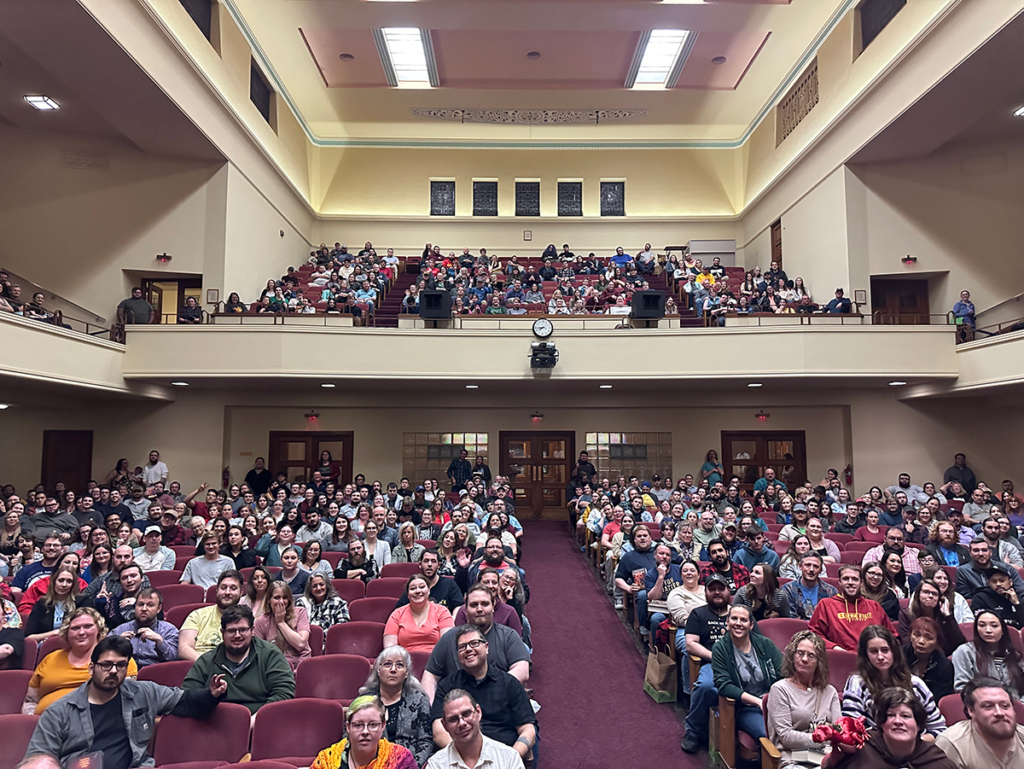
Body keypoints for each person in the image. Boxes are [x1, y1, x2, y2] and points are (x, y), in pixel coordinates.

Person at [24, 635, 226, 769]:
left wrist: (211, 694)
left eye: (121, 665)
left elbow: (183, 700)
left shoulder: (142, 692)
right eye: (107, 665)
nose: (113, 671)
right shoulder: (60, 710)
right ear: (91, 668)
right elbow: (39, 757)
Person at [429, 625, 537, 762]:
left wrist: (509, 759)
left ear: (486, 647)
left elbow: (528, 730)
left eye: (474, 643)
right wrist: (465, 759)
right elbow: (438, 731)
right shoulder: (447, 686)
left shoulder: (510, 683)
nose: (468, 649)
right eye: (462, 647)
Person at [421, 585, 530, 701]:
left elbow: (522, 670)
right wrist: (431, 709)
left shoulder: (509, 636)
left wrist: (493, 690)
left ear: (493, 606)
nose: (479, 609)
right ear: (465, 609)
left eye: (485, 604)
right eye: (474, 605)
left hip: (499, 703)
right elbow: (430, 675)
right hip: (457, 709)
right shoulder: (448, 638)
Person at [23, 607, 139, 714]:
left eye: (88, 626)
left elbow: (124, 700)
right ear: (67, 633)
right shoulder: (50, 659)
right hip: (45, 725)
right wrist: (30, 719)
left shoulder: (119, 659)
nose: (81, 632)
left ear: (99, 629)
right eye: (75, 628)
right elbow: (31, 701)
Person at [182, 604, 294, 714]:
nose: (237, 635)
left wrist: (253, 722)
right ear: (222, 633)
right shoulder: (207, 660)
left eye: (243, 630)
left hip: (260, 724)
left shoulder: (270, 654)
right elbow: (186, 696)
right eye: (231, 631)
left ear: (252, 630)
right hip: (215, 726)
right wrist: (209, 694)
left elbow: (283, 694)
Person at [842, 625, 945, 735]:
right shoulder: (857, 683)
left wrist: (918, 743)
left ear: (894, 652)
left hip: (915, 745)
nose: (880, 657)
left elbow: (938, 728)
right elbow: (851, 729)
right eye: (873, 651)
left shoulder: (915, 684)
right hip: (875, 746)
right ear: (866, 655)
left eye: (885, 650)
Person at [827, 687, 957, 769]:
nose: (898, 721)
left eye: (906, 716)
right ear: (881, 723)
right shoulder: (861, 747)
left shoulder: (934, 758)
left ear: (918, 726)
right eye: (890, 715)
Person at [767, 630, 841, 767]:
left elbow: (838, 730)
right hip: (792, 759)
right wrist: (822, 738)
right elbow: (786, 737)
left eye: (811, 655)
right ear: (792, 656)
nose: (804, 659)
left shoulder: (830, 692)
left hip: (825, 757)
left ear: (819, 661)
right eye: (800, 653)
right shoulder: (780, 689)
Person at [712, 604, 783, 741]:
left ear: (751, 625)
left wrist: (774, 701)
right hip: (746, 708)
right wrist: (758, 702)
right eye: (734, 619)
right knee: (769, 735)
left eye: (743, 620)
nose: (738, 623)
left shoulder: (765, 644)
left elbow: (783, 673)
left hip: (774, 702)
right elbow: (723, 685)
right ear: (727, 623)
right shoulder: (720, 649)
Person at [681, 574, 733, 754]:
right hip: (713, 664)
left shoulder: (740, 613)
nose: (717, 592)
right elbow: (690, 643)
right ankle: (693, 732)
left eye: (721, 588)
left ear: (729, 591)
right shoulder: (699, 613)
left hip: (740, 664)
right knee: (705, 686)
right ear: (706, 592)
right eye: (712, 589)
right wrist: (716, 657)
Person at [361, 647, 435, 767]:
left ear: (406, 673)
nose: (393, 669)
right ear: (378, 670)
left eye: (399, 665)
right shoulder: (365, 700)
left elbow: (426, 741)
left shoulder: (419, 700)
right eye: (387, 664)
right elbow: (351, 737)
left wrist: (411, 765)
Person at [935, 677, 1024, 769]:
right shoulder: (952, 744)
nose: (999, 713)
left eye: (1005, 706)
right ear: (971, 711)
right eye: (988, 706)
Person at [310, 695, 419, 769]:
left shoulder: (400, 759)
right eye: (358, 725)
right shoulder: (326, 762)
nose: (365, 731)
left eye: (373, 725)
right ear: (348, 727)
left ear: (383, 726)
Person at [810, 564, 896, 651]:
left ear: (861, 583)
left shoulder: (874, 606)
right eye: (846, 579)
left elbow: (892, 636)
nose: (850, 582)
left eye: (855, 579)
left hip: (871, 659)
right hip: (840, 657)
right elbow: (815, 635)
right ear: (839, 582)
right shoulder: (826, 604)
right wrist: (834, 648)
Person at [952, 611, 1024, 700]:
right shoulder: (965, 652)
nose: (988, 630)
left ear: (1003, 631)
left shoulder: (1013, 654)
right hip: (983, 705)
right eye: (982, 625)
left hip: (1016, 705)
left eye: (994, 626)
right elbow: (962, 688)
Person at [178, 570, 243, 661]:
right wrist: (208, 665)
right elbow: (184, 649)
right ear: (216, 591)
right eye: (223, 587)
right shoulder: (197, 615)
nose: (227, 592)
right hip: (199, 665)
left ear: (241, 593)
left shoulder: (247, 619)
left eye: (233, 588)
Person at [384, 574, 455, 654]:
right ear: (408, 595)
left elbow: (447, 644)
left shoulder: (442, 611)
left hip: (435, 661)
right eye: (413, 588)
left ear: (428, 591)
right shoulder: (397, 614)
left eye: (422, 587)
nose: (418, 591)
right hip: (405, 662)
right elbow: (389, 648)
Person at [109, 587, 178, 668]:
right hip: (126, 673)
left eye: (150, 605)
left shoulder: (169, 630)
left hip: (156, 674)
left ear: (159, 609)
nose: (144, 609)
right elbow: (103, 656)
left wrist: (160, 642)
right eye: (141, 604)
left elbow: (174, 659)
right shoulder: (120, 630)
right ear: (135, 607)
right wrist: (116, 645)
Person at [253, 580, 311, 672]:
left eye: (285, 598)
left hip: (302, 667)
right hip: (275, 668)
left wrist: (281, 622)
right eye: (277, 598)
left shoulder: (300, 612)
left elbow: (300, 644)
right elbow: (258, 653)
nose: (281, 602)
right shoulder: (261, 622)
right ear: (269, 600)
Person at [898, 580, 966, 656]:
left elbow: (959, 643)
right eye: (926, 592)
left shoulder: (943, 615)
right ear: (918, 595)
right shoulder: (906, 614)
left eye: (934, 594)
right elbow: (907, 643)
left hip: (941, 658)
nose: (930, 596)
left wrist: (948, 616)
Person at [393, 549, 464, 612]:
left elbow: (458, 607)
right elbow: (399, 610)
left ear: (439, 565)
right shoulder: (414, 586)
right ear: (420, 564)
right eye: (426, 561)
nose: (429, 564)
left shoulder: (449, 584)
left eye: (433, 561)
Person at [24, 565, 81, 642]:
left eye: (69, 581)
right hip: (46, 645)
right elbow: (29, 637)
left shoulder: (81, 602)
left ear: (73, 585)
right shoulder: (42, 603)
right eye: (61, 580)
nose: (64, 585)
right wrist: (54, 633)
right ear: (54, 582)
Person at [903, 616, 955, 700]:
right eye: (916, 635)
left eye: (928, 638)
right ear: (910, 636)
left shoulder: (944, 665)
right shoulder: (899, 656)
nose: (921, 641)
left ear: (937, 642)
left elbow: (940, 697)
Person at [957, 539, 1024, 601]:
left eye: (984, 550)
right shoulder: (963, 571)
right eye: (976, 550)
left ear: (990, 552)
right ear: (970, 553)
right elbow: (966, 597)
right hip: (980, 606)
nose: (981, 554)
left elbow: (1021, 591)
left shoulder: (1006, 568)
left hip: (1008, 604)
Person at [781, 553, 838, 620]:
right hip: (797, 629)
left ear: (820, 570)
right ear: (800, 566)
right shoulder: (788, 589)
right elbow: (791, 618)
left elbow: (832, 618)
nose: (811, 569)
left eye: (816, 566)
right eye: (807, 565)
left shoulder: (831, 591)